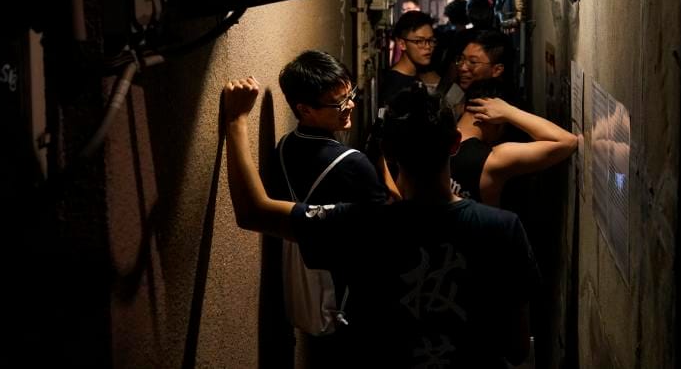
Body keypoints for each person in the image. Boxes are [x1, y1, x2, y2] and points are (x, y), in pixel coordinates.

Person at [224, 80, 541, 368]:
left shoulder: (361, 222)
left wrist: (236, 120)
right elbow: (517, 348)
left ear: (388, 150)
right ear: (455, 143)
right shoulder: (503, 228)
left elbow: (254, 212)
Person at [270, 51, 393, 367]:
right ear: (304, 109)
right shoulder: (352, 164)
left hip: (304, 282)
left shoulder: (283, 148)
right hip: (349, 297)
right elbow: (385, 229)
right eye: (339, 103)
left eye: (350, 95)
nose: (350, 105)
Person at [450, 79, 578, 206]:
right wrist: (509, 112)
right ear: (495, 118)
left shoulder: (439, 137)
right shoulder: (491, 160)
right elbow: (568, 142)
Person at [381, 10, 441, 104]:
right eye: (419, 41)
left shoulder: (416, 76)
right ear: (402, 44)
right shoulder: (396, 85)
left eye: (430, 40)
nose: (428, 47)